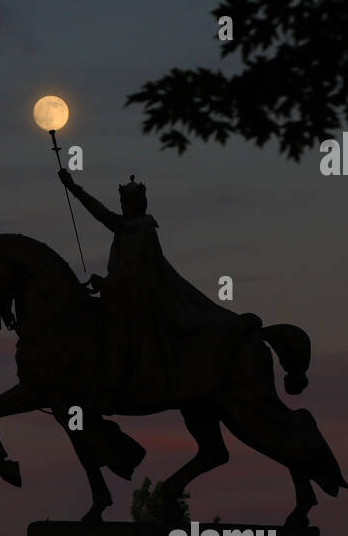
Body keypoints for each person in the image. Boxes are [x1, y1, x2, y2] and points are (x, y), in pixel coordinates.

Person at [57, 168, 252, 410]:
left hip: (142, 300)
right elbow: (100, 213)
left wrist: (106, 283)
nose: (125, 206)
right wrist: (73, 187)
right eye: (123, 202)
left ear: (139, 204)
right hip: (123, 296)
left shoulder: (144, 233)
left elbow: (132, 271)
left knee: (116, 331)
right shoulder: (124, 226)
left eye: (128, 202)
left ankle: (114, 384)